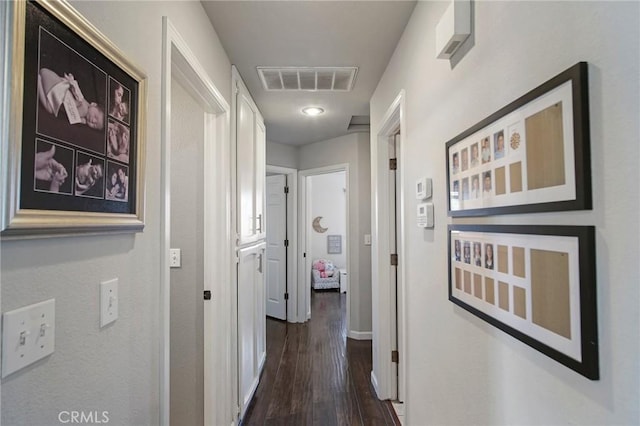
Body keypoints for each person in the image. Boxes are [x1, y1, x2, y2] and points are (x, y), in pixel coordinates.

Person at [37, 68, 104, 130]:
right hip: (54, 84)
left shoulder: (84, 117)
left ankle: (38, 79)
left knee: (50, 109)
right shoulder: (84, 105)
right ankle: (39, 78)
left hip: (53, 94)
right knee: (52, 105)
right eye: (95, 116)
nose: (93, 120)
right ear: (93, 104)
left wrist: (83, 120)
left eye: (95, 125)